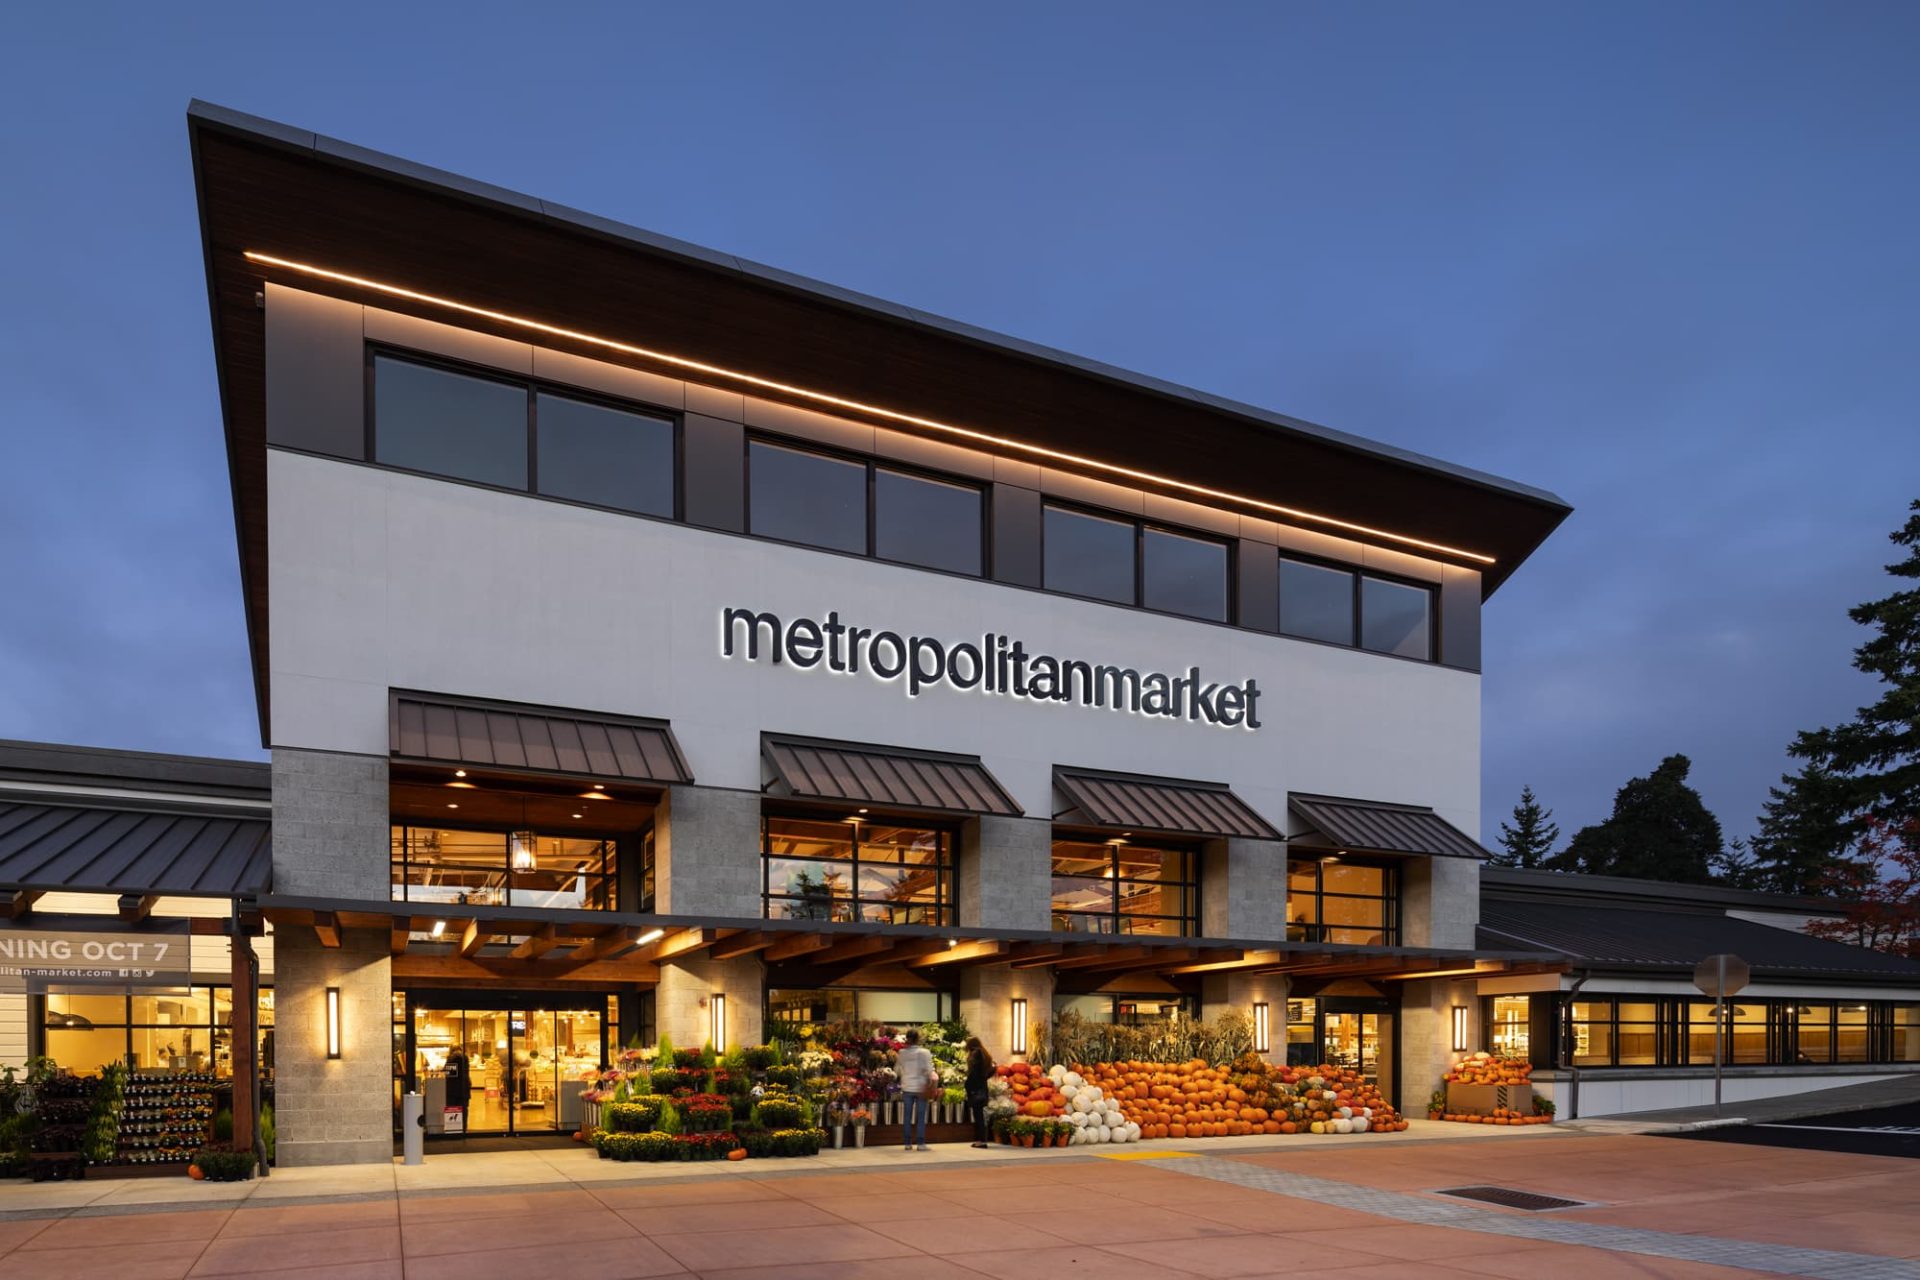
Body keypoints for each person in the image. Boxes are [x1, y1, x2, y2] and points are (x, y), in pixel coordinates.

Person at [895, 1029, 936, 1152]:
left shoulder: (902, 1053)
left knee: (907, 1116)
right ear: (918, 1039)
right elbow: (929, 1070)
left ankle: (907, 1143)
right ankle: (920, 1143)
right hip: (920, 1087)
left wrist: (905, 1075)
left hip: (907, 1087)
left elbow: (897, 1069)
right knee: (921, 1116)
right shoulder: (925, 1052)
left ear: (907, 1038)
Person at [963, 1036, 994, 1148]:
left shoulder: (975, 1053)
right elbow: (992, 1069)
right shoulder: (984, 1054)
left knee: (978, 1116)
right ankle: (981, 1139)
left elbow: (973, 1073)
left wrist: (967, 1084)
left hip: (976, 1090)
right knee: (980, 1115)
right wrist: (984, 1078)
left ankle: (981, 1140)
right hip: (982, 1089)